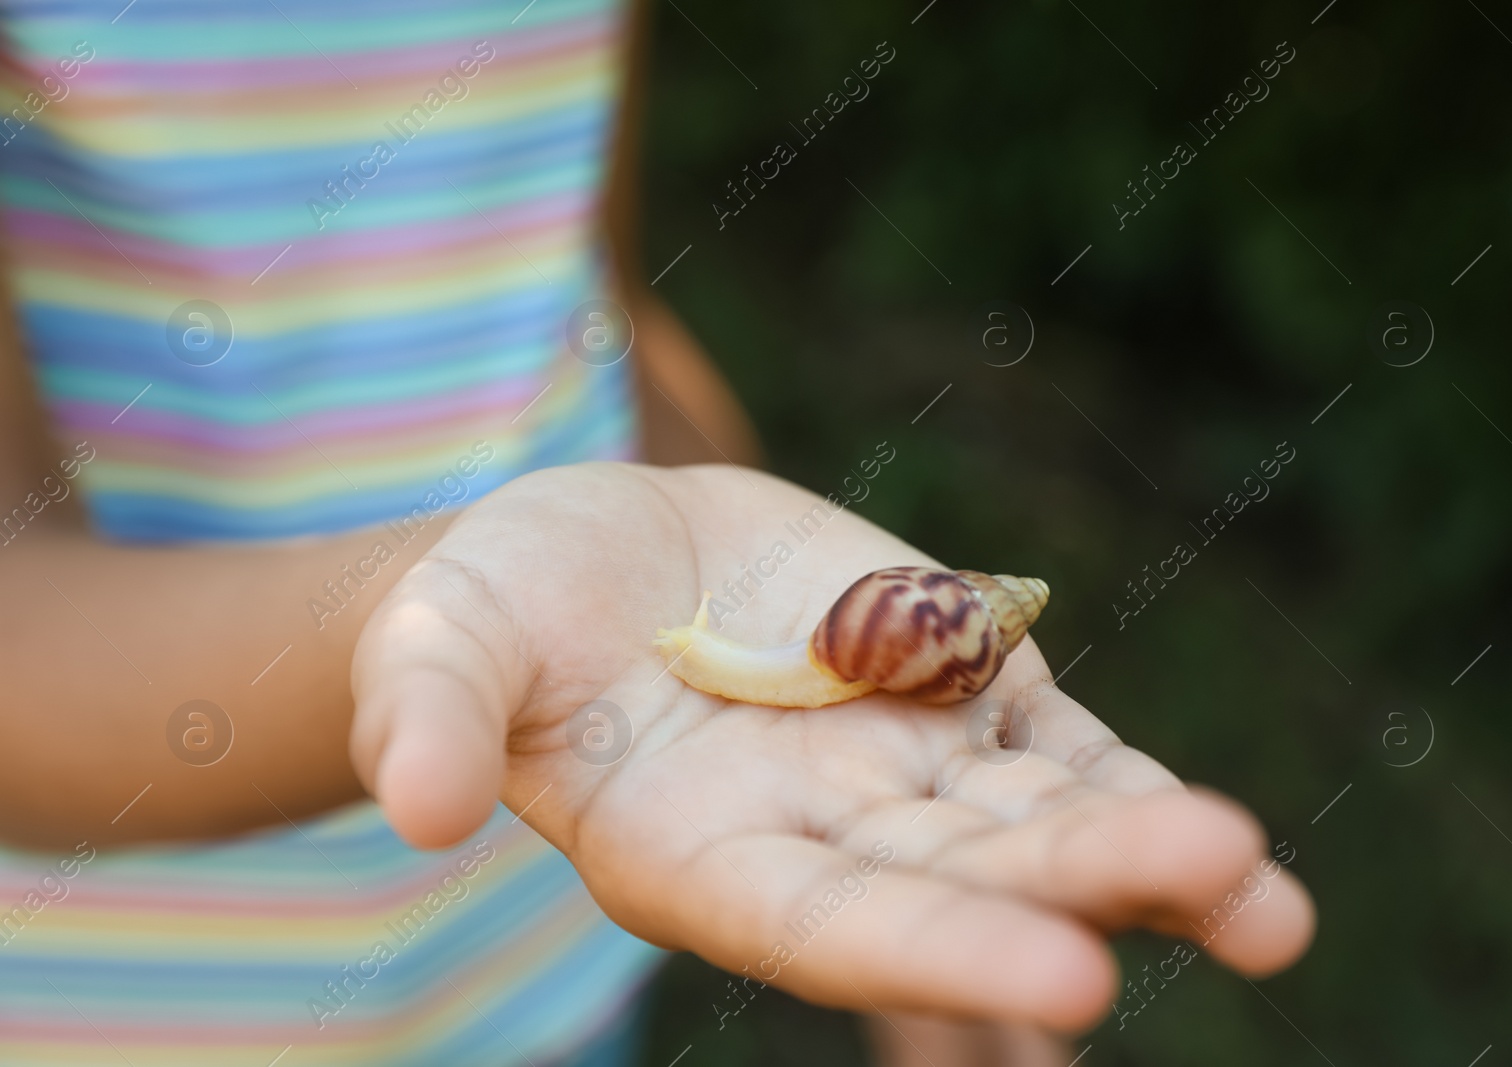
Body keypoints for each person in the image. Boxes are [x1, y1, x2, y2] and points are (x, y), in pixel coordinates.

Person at [0, 1, 1315, 1064]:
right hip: (148, 1008)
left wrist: (709, 546)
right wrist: (442, 604)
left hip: (544, 959)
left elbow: (594, 300)